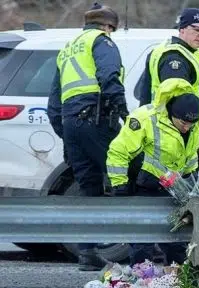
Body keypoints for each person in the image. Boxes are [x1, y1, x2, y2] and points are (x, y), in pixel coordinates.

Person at [47, 2, 127, 271]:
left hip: (72, 125)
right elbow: (109, 76)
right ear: (108, 26)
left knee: (88, 188)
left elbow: (53, 104)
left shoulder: (68, 49)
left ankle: (88, 254)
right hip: (96, 120)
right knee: (129, 174)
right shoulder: (101, 41)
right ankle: (147, 251)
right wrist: (124, 114)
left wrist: (68, 135)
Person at [106, 78, 199, 264]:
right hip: (145, 188)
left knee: (177, 245)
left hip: (175, 189)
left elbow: (190, 156)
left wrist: (192, 184)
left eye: (191, 123)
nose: (186, 127)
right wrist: (119, 184)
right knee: (143, 245)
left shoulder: (193, 123)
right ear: (172, 112)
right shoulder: (144, 118)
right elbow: (118, 151)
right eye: (183, 123)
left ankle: (179, 287)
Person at [136, 7, 199, 163]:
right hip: (192, 130)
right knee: (187, 182)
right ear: (182, 29)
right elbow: (178, 105)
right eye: (196, 30)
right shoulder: (175, 56)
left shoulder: (196, 52)